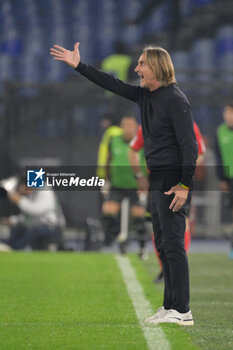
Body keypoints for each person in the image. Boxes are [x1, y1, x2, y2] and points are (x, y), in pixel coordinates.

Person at [50, 43, 198, 325]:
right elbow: (113, 83)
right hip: (157, 178)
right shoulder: (147, 96)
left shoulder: (176, 99)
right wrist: (80, 66)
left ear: (157, 67)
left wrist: (184, 185)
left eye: (142, 63)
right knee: (163, 243)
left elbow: (189, 146)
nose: (137, 68)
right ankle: (170, 306)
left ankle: (183, 310)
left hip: (172, 179)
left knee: (174, 244)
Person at [129, 122, 206, 282]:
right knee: (157, 225)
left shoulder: (188, 124)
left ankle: (178, 268)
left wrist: (183, 172)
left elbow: (200, 153)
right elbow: (133, 150)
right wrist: (139, 176)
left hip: (180, 182)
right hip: (157, 182)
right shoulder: (147, 124)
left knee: (180, 222)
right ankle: (164, 268)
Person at [102, 114, 147, 257]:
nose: (127, 129)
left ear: (136, 127)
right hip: (117, 185)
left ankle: (142, 248)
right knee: (108, 212)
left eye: (130, 126)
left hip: (136, 187)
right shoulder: (114, 141)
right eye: (125, 126)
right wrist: (106, 181)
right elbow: (108, 161)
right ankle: (120, 238)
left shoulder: (143, 141)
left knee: (139, 218)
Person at [1, 176, 65, 250]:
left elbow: (35, 210)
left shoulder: (45, 191)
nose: (21, 189)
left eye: (22, 186)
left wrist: (19, 200)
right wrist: (12, 220)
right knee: (18, 228)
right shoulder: (31, 195)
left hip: (52, 227)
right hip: (37, 227)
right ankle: (8, 247)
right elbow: (26, 218)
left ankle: (13, 249)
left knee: (34, 231)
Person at [215, 103, 233, 259]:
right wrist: (222, 178)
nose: (229, 116)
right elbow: (219, 157)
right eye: (227, 112)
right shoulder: (220, 131)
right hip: (230, 177)